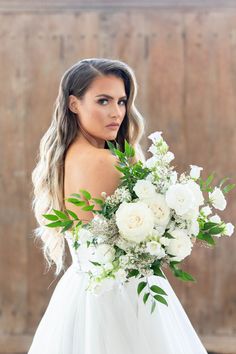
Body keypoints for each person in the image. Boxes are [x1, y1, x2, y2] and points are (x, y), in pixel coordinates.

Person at [28, 58, 208, 353]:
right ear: (74, 104)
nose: (116, 113)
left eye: (122, 101)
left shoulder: (61, 159)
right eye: (103, 101)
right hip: (121, 294)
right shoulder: (109, 161)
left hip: (80, 290)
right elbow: (151, 229)